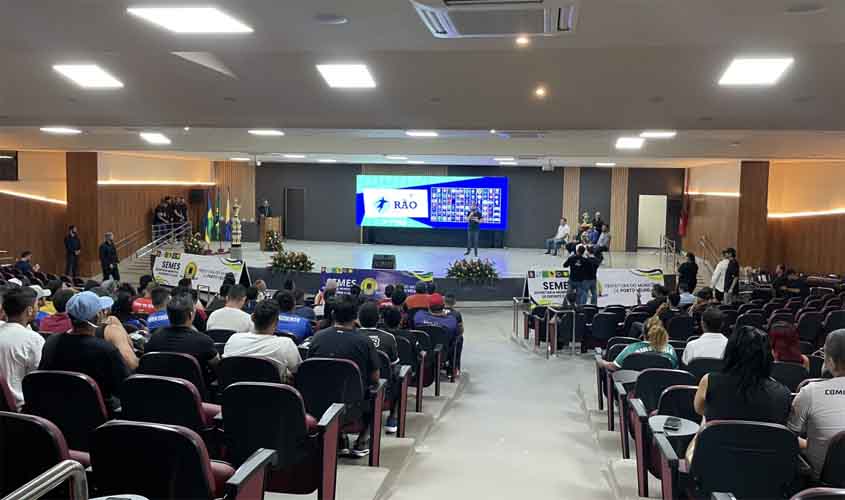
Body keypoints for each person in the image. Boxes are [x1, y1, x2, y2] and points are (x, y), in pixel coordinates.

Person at [689, 326, 791, 461]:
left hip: (715, 462)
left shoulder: (709, 380)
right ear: (767, 356)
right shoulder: (783, 393)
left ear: (730, 352)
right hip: (764, 466)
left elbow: (699, 410)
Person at [307, 294, 381, 457]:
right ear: (355, 317)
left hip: (317, 405)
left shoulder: (317, 338)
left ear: (333, 315)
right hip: (352, 408)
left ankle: (340, 439)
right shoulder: (364, 342)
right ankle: (361, 441)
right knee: (377, 391)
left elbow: (309, 368)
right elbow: (375, 378)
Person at [39, 291, 131, 412]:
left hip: (55, 410)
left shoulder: (51, 342)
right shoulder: (106, 350)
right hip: (96, 414)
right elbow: (125, 389)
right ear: (98, 316)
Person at [789, 329, 845, 478]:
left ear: (830, 362)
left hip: (820, 482)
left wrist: (813, 443)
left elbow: (789, 438)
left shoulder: (810, 391)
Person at [144, 293, 219, 385]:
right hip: (193, 391)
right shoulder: (204, 341)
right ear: (191, 314)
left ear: (168, 314)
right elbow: (217, 366)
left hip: (160, 388)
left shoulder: (155, 337)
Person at [223, 300, 301, 381]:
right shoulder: (286, 344)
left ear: (252, 317)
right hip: (271, 389)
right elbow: (297, 371)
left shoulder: (233, 339)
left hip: (234, 388)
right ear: (277, 322)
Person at [358, 301, 400, 434]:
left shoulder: (351, 336)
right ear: (378, 319)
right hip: (381, 389)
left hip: (353, 388)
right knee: (399, 374)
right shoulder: (389, 338)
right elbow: (394, 365)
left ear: (359, 318)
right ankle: (392, 417)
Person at [0, 287, 45, 409]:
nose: (38, 308)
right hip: (20, 407)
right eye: (37, 305)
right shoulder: (33, 339)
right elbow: (38, 377)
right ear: (29, 310)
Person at [414, 294, 464, 377]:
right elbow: (459, 333)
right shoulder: (451, 320)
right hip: (443, 354)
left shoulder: (419, 316)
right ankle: (453, 368)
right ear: (443, 306)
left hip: (422, 352)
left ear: (429, 307)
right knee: (459, 339)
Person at [598, 324, 677, 371]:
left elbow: (614, 367)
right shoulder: (670, 348)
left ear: (643, 334)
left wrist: (602, 362)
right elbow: (674, 370)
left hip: (635, 391)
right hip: (665, 391)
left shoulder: (632, 348)